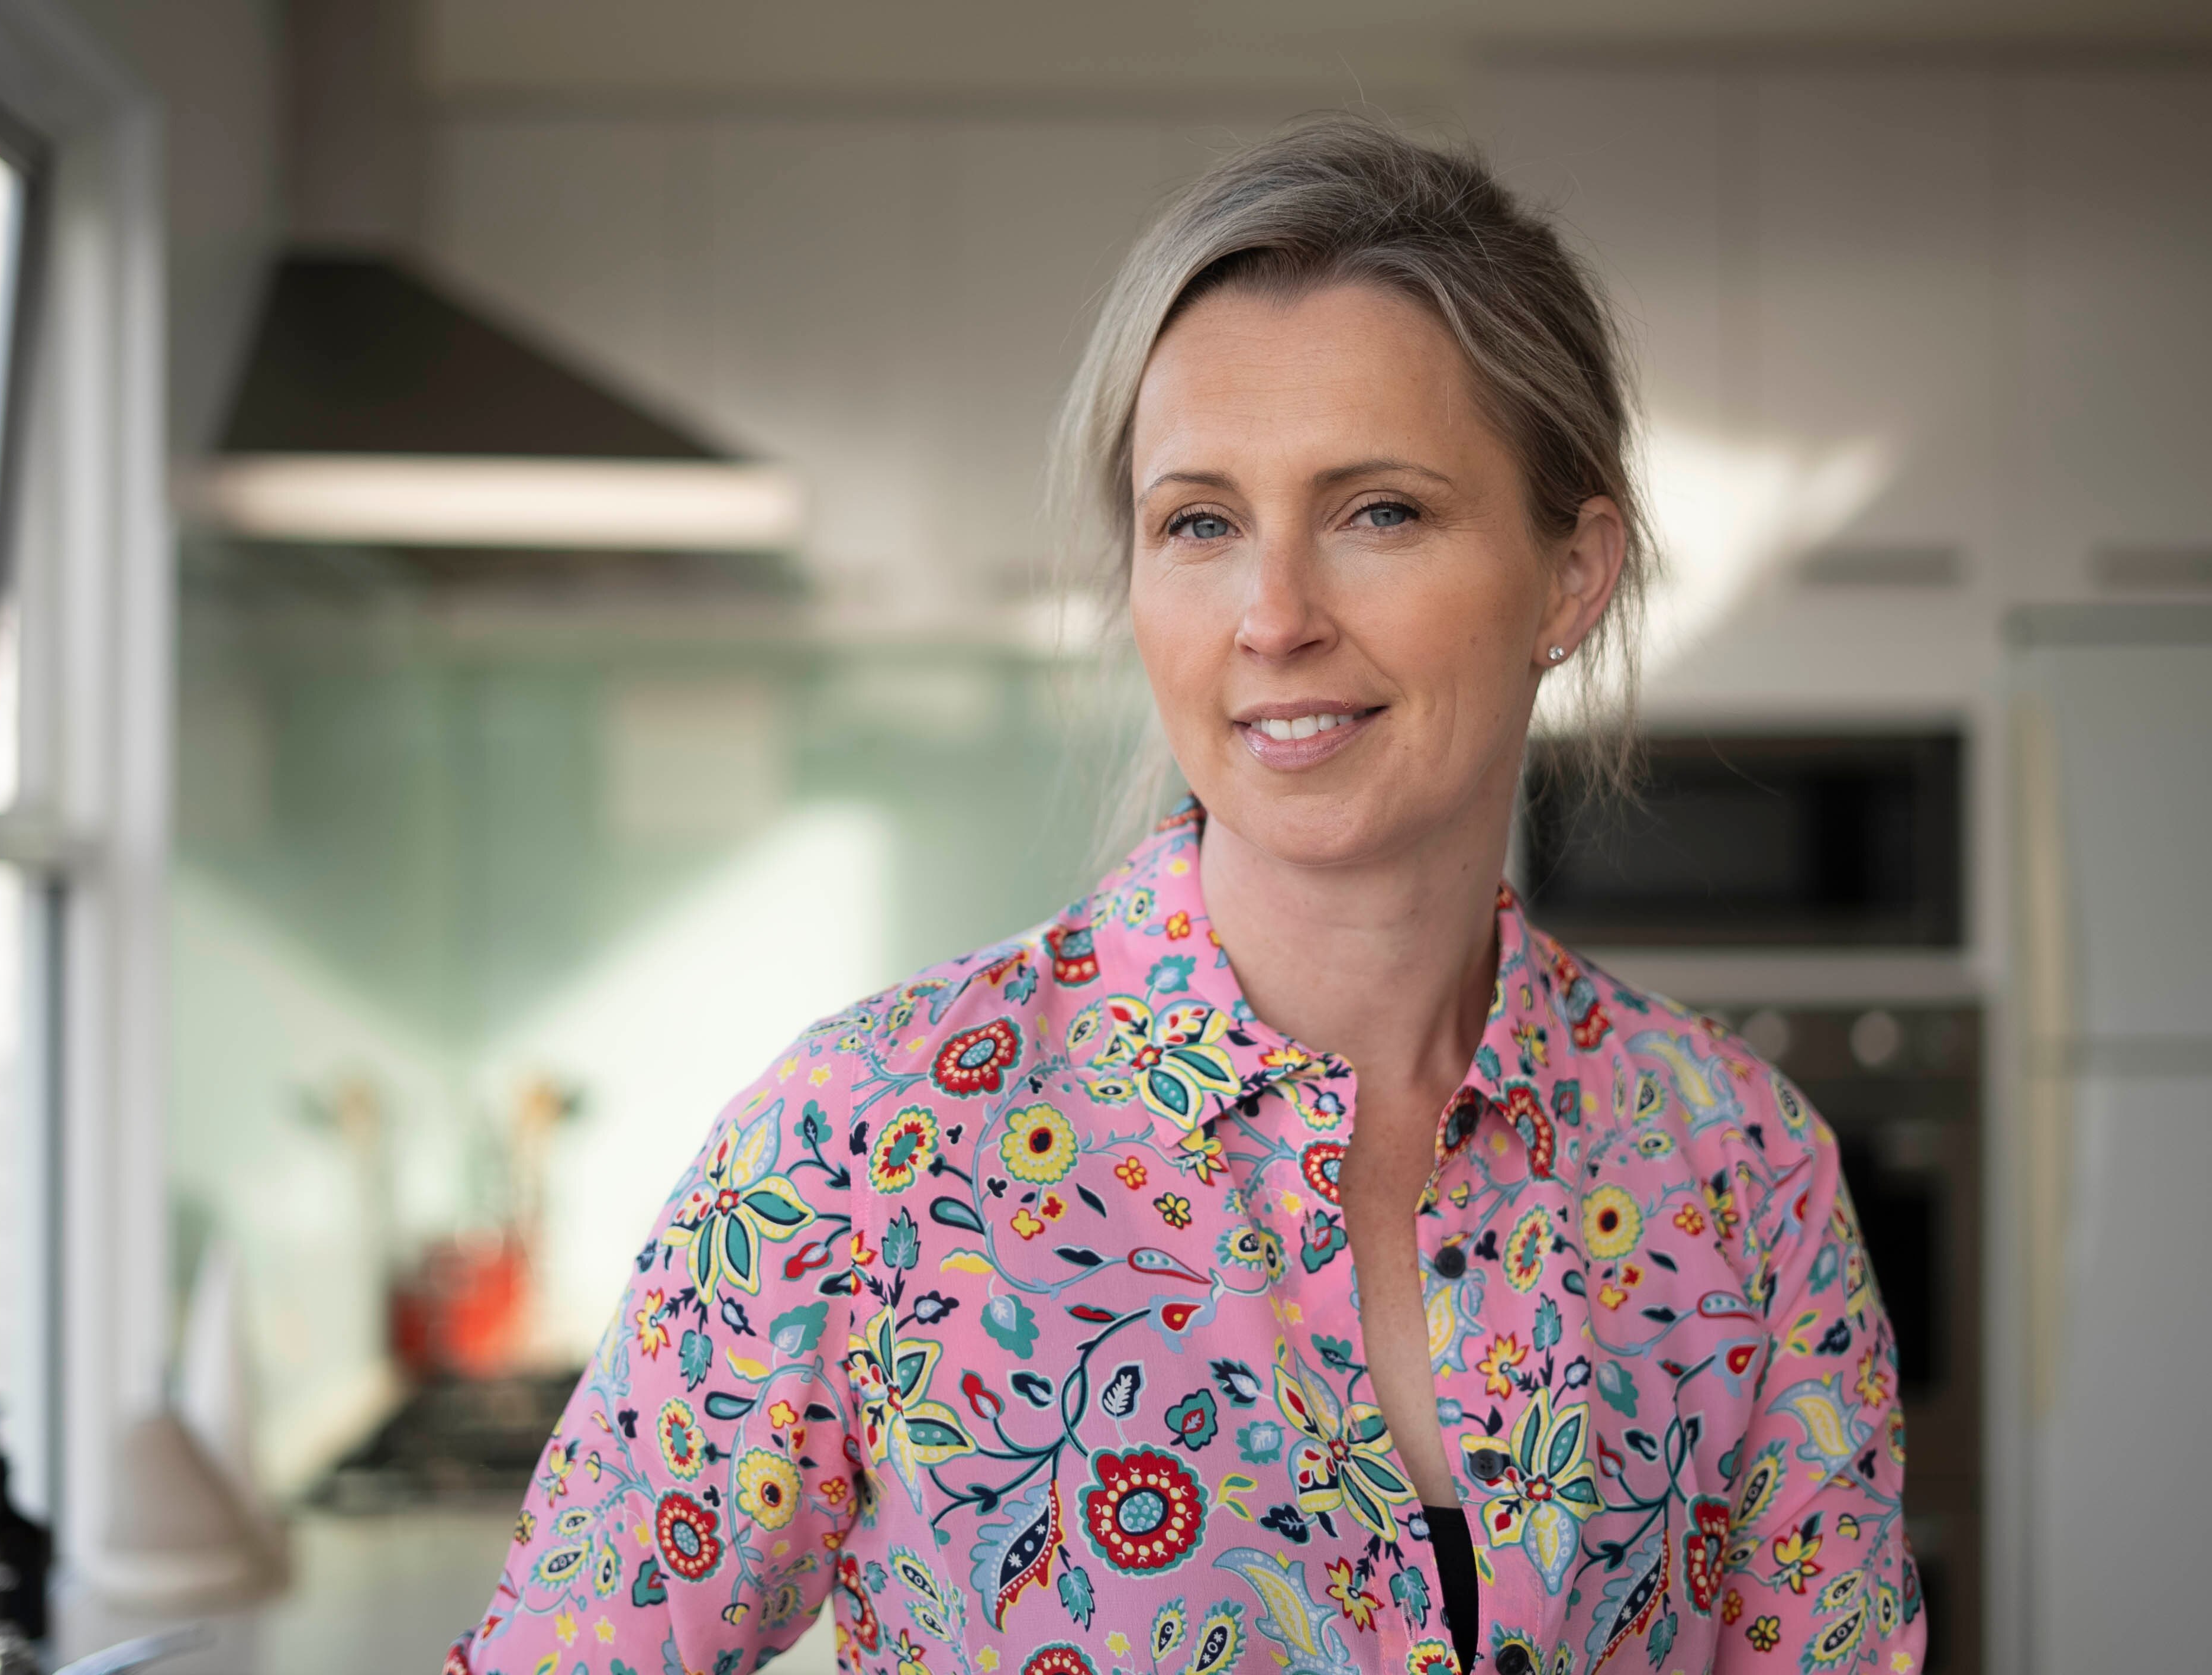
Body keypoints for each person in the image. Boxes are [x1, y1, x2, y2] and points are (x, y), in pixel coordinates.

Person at [445, 115, 1922, 1675]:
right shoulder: (858, 1151)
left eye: (1380, 511)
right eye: (1201, 523)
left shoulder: (1742, 1177)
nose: (1273, 616)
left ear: (1571, 575)